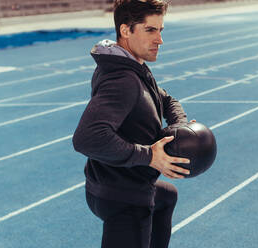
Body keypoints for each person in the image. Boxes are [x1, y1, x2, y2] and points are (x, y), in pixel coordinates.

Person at [72, 0, 192, 247]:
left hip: (115, 184)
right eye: (150, 30)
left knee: (166, 197)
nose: (159, 40)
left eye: (160, 30)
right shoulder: (123, 80)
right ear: (126, 30)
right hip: (123, 198)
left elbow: (166, 98)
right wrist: (149, 156)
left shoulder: (134, 66)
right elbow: (87, 137)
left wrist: (180, 128)